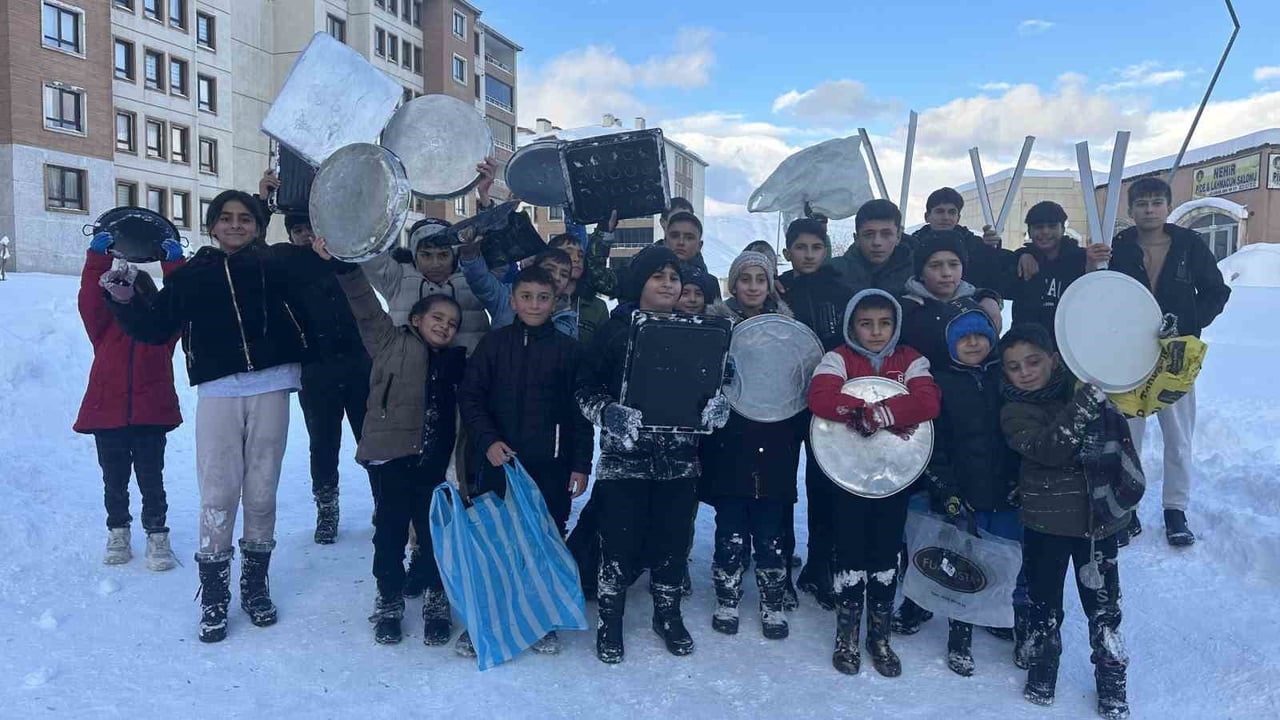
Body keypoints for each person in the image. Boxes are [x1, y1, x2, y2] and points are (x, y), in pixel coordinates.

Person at [104, 190, 308, 643]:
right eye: (226, 218)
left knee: (261, 491)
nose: (236, 226)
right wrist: (125, 300)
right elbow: (156, 328)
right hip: (218, 389)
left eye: (245, 219)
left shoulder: (278, 264)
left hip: (272, 385)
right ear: (212, 226)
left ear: (258, 225)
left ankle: (255, 586)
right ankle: (214, 597)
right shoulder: (194, 273)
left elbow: (316, 301)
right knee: (218, 493)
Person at [576, 245, 730, 664]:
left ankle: (668, 614)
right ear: (638, 283)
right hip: (624, 461)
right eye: (657, 276)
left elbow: (722, 381)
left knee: (673, 542)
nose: (668, 284)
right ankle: (610, 619)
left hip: (680, 462)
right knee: (618, 544)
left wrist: (718, 407)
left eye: (674, 277)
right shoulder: (616, 329)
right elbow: (584, 388)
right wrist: (608, 412)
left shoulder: (697, 330)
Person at [323, 234, 466, 647]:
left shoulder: (458, 362)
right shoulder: (389, 342)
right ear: (417, 320)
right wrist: (344, 265)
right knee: (389, 532)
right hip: (391, 458)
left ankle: (436, 599)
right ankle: (388, 600)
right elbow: (365, 307)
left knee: (434, 532)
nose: (444, 326)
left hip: (434, 462)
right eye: (436, 317)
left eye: (452, 323)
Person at [999, 323, 1138, 719]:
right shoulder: (1015, 411)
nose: (1025, 371)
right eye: (1013, 366)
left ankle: (1111, 674)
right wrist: (1087, 400)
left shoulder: (1082, 390)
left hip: (1099, 523)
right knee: (1044, 601)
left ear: (1054, 359)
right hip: (1046, 524)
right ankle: (1044, 662)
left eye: (1033, 361)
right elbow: (1050, 448)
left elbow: (1110, 344)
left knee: (1104, 605)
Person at [457, 265, 594, 656]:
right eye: (527, 297)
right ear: (513, 301)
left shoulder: (570, 351)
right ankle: (488, 618)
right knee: (496, 540)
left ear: (556, 301)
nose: (535, 304)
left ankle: (539, 617)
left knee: (544, 539)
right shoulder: (494, 345)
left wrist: (580, 463)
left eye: (543, 297)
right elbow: (471, 398)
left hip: (551, 464)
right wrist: (488, 441)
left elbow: (579, 413)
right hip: (499, 462)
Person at [808, 289, 941, 677]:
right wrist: (863, 411)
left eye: (884, 323)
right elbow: (820, 397)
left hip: (895, 479)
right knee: (850, 551)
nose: (876, 332)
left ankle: (879, 636)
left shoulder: (910, 359)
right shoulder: (839, 359)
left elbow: (928, 401)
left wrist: (881, 415)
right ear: (852, 325)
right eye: (866, 324)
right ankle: (847, 634)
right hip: (847, 477)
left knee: (885, 554)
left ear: (896, 323)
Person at [1109, 177, 1230, 547]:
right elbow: (1104, 293)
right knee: (1129, 437)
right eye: (1141, 203)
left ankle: (1175, 510)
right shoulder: (1120, 247)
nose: (1149, 209)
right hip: (1130, 354)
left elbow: (1216, 291)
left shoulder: (1189, 244)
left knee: (1178, 436)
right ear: (1130, 210)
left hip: (1177, 354)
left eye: (1156, 202)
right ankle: (1126, 510)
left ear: (1167, 206)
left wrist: (1190, 325)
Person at [702, 251, 807, 639]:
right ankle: (727, 597)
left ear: (769, 284)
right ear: (733, 283)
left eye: (759, 279)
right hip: (731, 437)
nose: (752, 286)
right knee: (729, 523)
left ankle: (772, 599)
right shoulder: (715, 324)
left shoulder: (787, 327)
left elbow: (798, 377)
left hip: (776, 436)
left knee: (771, 526)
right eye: (744, 279)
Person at [924, 308, 1028, 676]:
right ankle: (960, 635)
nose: (973, 343)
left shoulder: (1007, 379)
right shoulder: (941, 382)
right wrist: (947, 488)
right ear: (950, 343)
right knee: (963, 567)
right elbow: (935, 445)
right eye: (964, 337)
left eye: (980, 336)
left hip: (1005, 491)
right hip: (964, 492)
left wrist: (1021, 480)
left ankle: (1010, 619)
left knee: (1009, 560)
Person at [75, 232, 185, 570]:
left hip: (151, 413)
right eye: (119, 290)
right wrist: (97, 260)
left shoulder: (161, 329)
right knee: (115, 479)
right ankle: (118, 531)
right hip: (106, 413)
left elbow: (180, 300)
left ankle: (157, 535)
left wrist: (173, 264)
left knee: (152, 478)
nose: (126, 297)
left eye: (135, 291)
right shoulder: (104, 327)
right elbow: (89, 301)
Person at [269, 213, 371, 544]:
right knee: (323, 442)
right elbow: (261, 253)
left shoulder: (344, 257)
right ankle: (326, 507)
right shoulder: (287, 262)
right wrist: (263, 202)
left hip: (359, 364)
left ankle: (385, 500)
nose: (304, 235)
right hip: (316, 369)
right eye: (297, 230)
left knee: (371, 438)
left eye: (310, 228)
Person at [777, 218, 857, 610]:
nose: (808, 255)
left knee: (823, 484)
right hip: (780, 399)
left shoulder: (842, 291)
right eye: (800, 247)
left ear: (826, 251)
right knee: (778, 480)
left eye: (816, 247)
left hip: (826, 399)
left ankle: (820, 564)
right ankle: (780, 557)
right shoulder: (778, 288)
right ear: (788, 251)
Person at [361, 217, 490, 351]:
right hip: (406, 367)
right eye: (426, 255)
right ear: (414, 255)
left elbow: (502, 266)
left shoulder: (474, 279)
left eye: (443, 255)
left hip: (469, 368)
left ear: (454, 255)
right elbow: (367, 250)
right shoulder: (396, 278)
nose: (435, 264)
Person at [1009, 202, 1110, 341]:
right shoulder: (1019, 259)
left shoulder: (1081, 258)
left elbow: (1097, 295)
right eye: (1039, 227)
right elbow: (995, 264)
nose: (1045, 232)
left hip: (1072, 340)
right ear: (1030, 231)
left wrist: (1092, 264)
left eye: (1052, 226)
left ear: (1063, 229)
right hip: (1027, 343)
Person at [909, 187, 1016, 296]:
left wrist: (1025, 253)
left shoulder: (975, 246)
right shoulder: (911, 246)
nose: (946, 217)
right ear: (927, 217)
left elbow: (997, 276)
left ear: (958, 218)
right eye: (940, 211)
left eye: (951, 212)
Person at [586, 207, 711, 298]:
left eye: (689, 237)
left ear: (700, 245)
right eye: (674, 235)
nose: (681, 242)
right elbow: (600, 278)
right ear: (666, 239)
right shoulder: (643, 269)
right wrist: (603, 234)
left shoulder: (709, 284)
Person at [460, 242, 579, 336]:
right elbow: (481, 282)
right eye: (550, 269)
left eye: (564, 274)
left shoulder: (567, 317)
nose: (556, 277)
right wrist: (470, 256)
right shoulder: (506, 296)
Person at [829, 199, 914, 298]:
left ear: (898, 237)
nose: (877, 242)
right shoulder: (832, 274)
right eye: (869, 234)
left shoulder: (917, 276)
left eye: (886, 234)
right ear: (856, 239)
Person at [549, 233, 609, 346]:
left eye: (581, 255)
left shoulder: (598, 307)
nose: (576, 259)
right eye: (568, 253)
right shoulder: (535, 298)